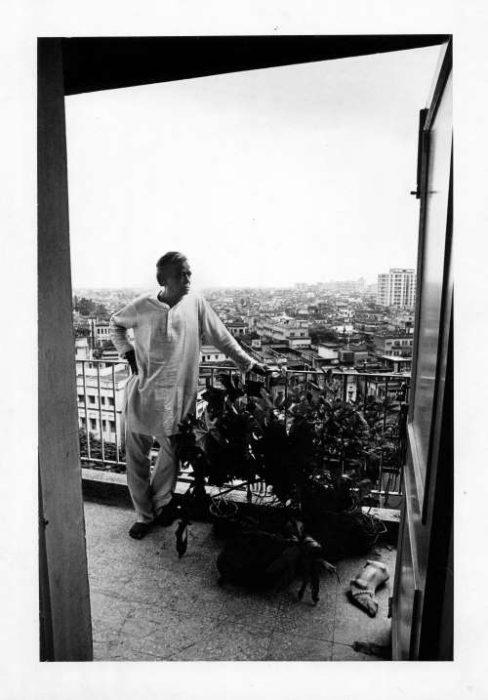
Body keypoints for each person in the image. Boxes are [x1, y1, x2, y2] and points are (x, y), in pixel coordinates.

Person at [110, 252, 267, 539]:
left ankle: (160, 504)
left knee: (173, 455)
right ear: (163, 279)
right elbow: (115, 324)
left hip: (178, 398)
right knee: (137, 458)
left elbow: (222, 337)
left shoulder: (196, 303)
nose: (188, 279)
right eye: (181, 274)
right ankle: (144, 515)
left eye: (189, 273)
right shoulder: (143, 306)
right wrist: (127, 352)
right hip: (142, 395)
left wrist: (248, 364)